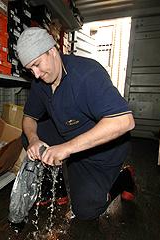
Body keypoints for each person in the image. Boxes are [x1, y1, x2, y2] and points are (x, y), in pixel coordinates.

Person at [16, 27, 136, 221]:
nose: (36, 74)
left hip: (103, 151)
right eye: (30, 69)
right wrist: (34, 139)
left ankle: (123, 179)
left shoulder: (87, 74)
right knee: (29, 136)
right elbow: (29, 117)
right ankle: (58, 188)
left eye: (37, 64)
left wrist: (67, 148)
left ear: (52, 50)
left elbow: (124, 121)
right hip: (70, 139)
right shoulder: (40, 83)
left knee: (86, 212)